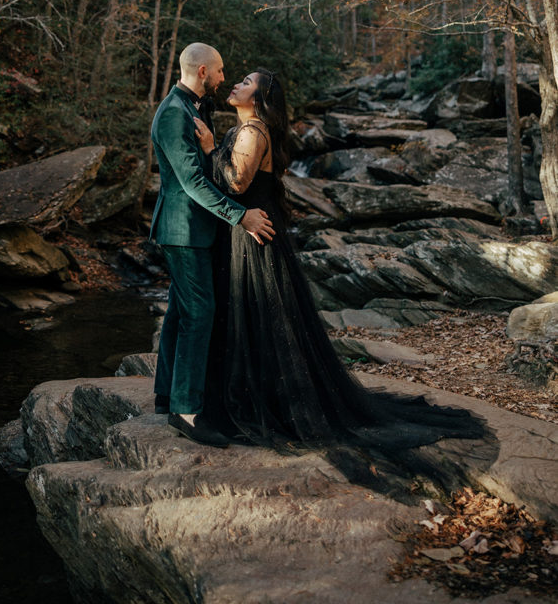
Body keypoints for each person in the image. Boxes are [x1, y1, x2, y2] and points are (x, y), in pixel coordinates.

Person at [194, 67, 494, 497]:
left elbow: (237, 183)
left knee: (261, 315)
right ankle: (262, 394)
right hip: (254, 231)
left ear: (259, 99)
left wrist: (207, 149)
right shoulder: (248, 128)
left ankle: (267, 403)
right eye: (238, 79)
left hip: (254, 235)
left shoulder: (252, 131)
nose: (237, 84)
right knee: (262, 317)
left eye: (246, 82)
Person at [150, 43, 275, 449]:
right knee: (199, 314)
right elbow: (191, 183)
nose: (225, 78)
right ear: (203, 71)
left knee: (181, 312)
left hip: (197, 228)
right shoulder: (173, 113)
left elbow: (212, 166)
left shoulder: (196, 107)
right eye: (221, 72)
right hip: (183, 229)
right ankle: (186, 412)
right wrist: (240, 216)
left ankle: (166, 394)